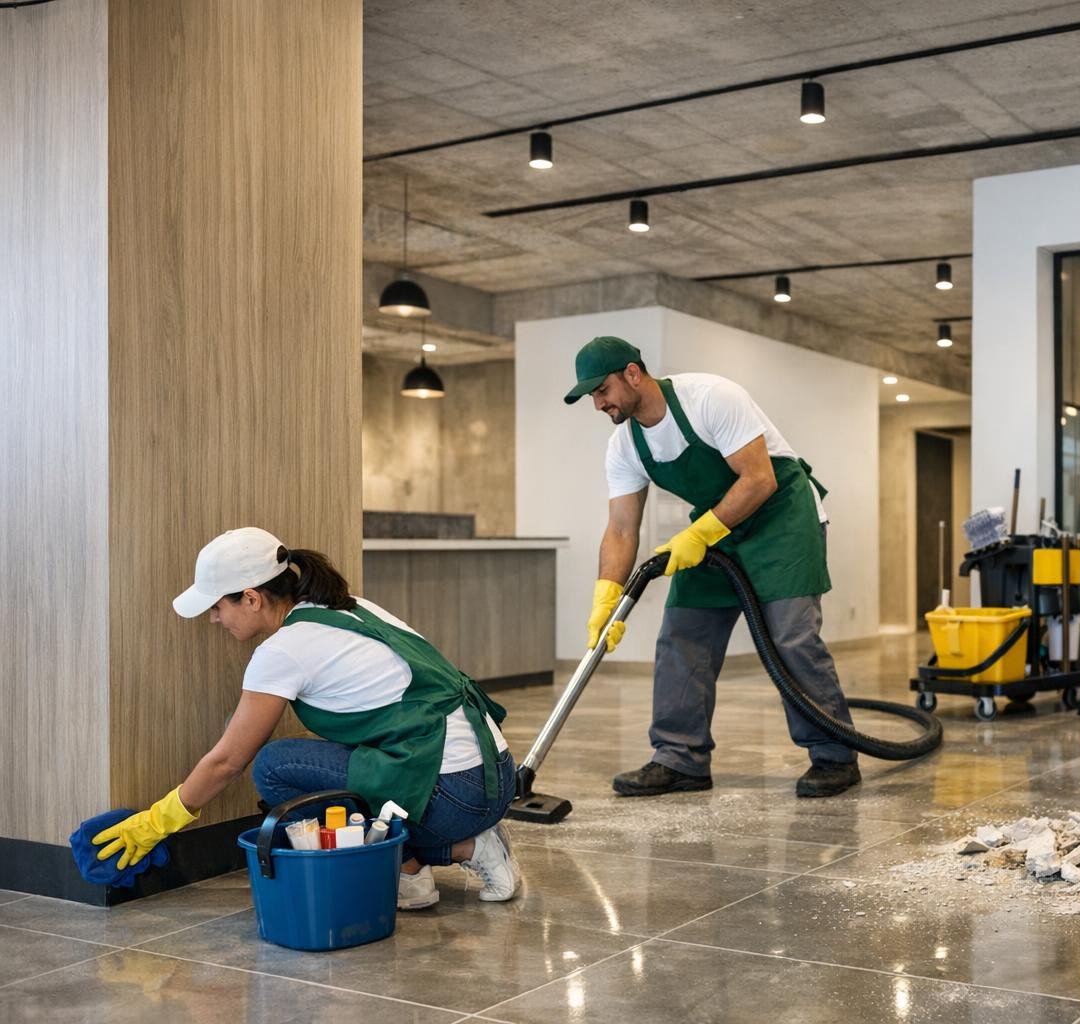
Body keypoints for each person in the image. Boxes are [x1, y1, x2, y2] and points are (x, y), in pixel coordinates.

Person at [90, 527, 520, 911]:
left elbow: (228, 762)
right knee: (320, 762)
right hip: (495, 776)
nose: (213, 618)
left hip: (456, 794)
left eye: (218, 606)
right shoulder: (348, 608)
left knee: (275, 767)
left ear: (252, 598)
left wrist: (157, 821)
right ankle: (427, 863)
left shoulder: (284, 650)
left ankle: (446, 855)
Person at [565, 335, 861, 798]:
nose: (597, 403)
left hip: (781, 518)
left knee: (790, 638)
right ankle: (680, 759)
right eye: (590, 396)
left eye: (601, 391)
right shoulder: (624, 445)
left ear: (632, 374)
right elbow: (622, 528)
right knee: (683, 635)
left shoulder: (710, 397)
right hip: (717, 528)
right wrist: (607, 593)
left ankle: (833, 755)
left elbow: (759, 478)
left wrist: (699, 535)